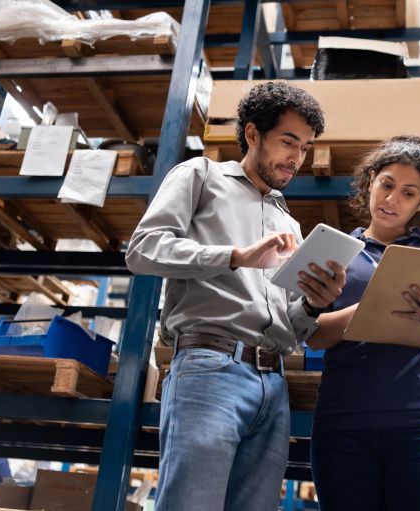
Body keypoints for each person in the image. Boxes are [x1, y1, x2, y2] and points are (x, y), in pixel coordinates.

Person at [125, 81, 346, 511]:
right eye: (288, 142)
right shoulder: (200, 176)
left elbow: (290, 325)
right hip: (211, 369)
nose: (296, 159)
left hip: (273, 384)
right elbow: (143, 249)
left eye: (304, 147)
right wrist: (233, 256)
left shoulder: (288, 221)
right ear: (252, 134)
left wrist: (313, 304)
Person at [306, 136, 420, 510]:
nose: (391, 200)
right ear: (370, 180)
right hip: (344, 425)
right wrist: (365, 310)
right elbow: (311, 336)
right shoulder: (334, 252)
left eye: (408, 193)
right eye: (386, 184)